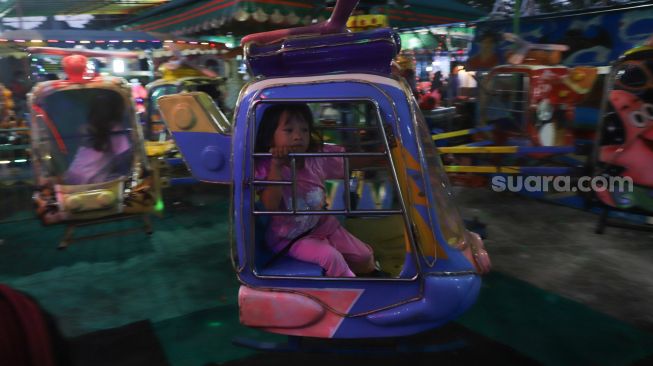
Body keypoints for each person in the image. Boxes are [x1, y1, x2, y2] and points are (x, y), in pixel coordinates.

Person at [254, 104, 376, 277]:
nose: (298, 137)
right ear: (269, 137)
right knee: (331, 258)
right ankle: (350, 294)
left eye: (304, 130)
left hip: (323, 225)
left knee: (364, 256)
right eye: (289, 130)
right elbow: (269, 205)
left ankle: (370, 276)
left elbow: (348, 160)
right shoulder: (266, 164)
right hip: (291, 238)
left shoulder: (316, 156)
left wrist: (381, 156)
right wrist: (277, 166)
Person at [64, 92, 133, 185]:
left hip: (73, 174)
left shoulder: (88, 128)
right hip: (92, 180)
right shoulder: (116, 130)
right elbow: (124, 158)